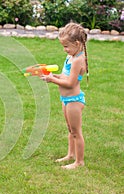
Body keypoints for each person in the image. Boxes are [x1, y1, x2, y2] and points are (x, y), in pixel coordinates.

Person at [41, 22, 88, 169]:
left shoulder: (78, 60)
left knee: (76, 131)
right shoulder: (70, 57)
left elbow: (70, 84)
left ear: (77, 43)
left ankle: (79, 162)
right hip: (66, 99)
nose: (64, 49)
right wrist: (54, 75)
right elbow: (64, 76)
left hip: (74, 100)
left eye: (66, 46)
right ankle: (70, 155)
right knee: (70, 130)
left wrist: (51, 80)